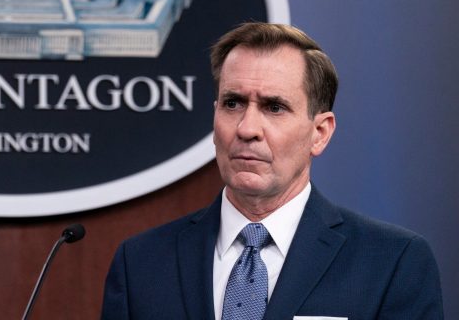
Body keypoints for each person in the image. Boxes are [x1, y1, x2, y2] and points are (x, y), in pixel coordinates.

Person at [101, 22, 443, 319]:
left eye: (274, 107)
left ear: (319, 133)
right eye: (233, 103)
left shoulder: (392, 262)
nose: (247, 128)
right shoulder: (140, 263)